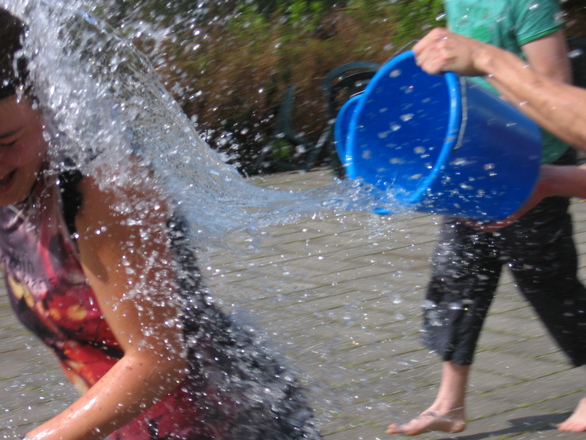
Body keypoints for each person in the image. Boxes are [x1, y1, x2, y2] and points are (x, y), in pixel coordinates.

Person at [0, 7, 321, 440]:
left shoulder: (106, 190)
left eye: (6, 142)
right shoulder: (17, 183)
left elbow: (156, 362)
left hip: (231, 424)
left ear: (46, 104)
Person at [387, 1, 586, 436]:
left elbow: (554, 90)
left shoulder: (528, 4)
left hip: (534, 161)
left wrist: (485, 59)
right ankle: (449, 403)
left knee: (548, 282)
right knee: (456, 277)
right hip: (474, 162)